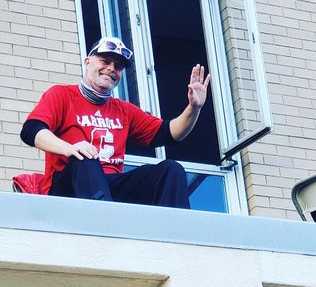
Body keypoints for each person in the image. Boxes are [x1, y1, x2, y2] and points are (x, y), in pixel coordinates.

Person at [20, 36, 211, 209]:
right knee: (85, 156)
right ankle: (104, 225)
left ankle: (174, 237)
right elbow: (32, 130)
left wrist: (194, 108)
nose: (111, 68)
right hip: (68, 188)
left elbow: (168, 133)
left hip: (108, 187)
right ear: (88, 62)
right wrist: (70, 149)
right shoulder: (62, 95)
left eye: (118, 66)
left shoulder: (123, 110)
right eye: (105, 61)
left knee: (171, 170)